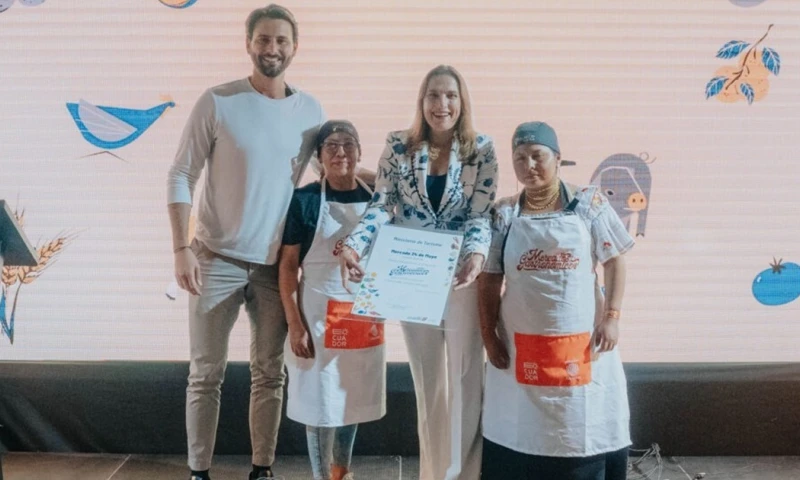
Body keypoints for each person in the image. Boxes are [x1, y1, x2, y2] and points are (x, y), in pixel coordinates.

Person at [167, 5, 326, 480]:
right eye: (263, 39)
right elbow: (181, 174)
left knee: (269, 372)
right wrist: (181, 247)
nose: (271, 48)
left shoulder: (312, 111)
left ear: (294, 47)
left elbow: (327, 176)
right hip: (214, 258)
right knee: (205, 373)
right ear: (248, 43)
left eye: (281, 40)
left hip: (275, 267)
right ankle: (199, 471)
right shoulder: (218, 100)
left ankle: (263, 469)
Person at [338, 65, 498, 480]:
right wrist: (354, 245)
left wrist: (478, 255)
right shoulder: (398, 145)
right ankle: (432, 472)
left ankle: (463, 474)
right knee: (428, 381)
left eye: (450, 96)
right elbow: (381, 205)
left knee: (465, 376)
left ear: (462, 102)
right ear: (421, 101)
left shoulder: (482, 148)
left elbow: (481, 216)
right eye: (432, 95)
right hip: (410, 274)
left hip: (460, 275)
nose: (440, 105)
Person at [478, 121, 633, 480]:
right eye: (520, 158)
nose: (529, 165)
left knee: (578, 426)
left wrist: (612, 316)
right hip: (520, 346)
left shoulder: (588, 204)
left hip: (581, 343)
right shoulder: (503, 214)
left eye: (537, 156)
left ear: (558, 158)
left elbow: (615, 261)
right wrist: (488, 334)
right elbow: (489, 279)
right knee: (521, 430)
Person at [278, 120, 385, 480]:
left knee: (350, 398)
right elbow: (289, 267)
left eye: (349, 145)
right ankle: (321, 477)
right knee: (319, 405)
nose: (341, 153)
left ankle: (343, 472)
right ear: (320, 157)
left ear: (359, 152)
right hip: (318, 315)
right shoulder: (306, 200)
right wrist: (295, 324)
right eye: (332, 147)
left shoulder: (376, 201)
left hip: (362, 313)